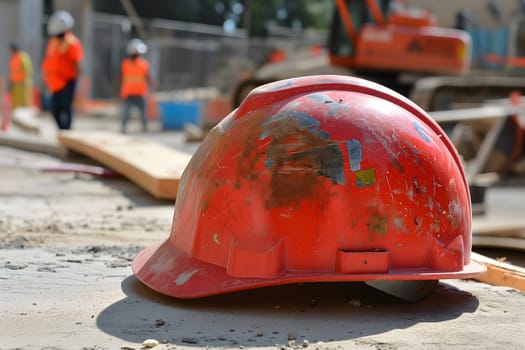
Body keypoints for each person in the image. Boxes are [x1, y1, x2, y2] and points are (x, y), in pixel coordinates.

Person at [42, 10, 84, 130]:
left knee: (66, 108)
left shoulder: (72, 43)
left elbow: (77, 64)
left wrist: (77, 82)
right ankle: (62, 130)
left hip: (67, 81)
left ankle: (67, 131)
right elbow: (49, 60)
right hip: (54, 82)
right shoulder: (52, 42)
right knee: (55, 109)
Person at [120, 38, 152, 133]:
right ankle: (124, 127)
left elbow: (147, 76)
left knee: (143, 113)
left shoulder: (143, 64)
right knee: (126, 113)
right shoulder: (125, 64)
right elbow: (122, 77)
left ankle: (145, 127)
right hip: (129, 92)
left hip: (139, 92)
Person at [9, 42, 33, 109]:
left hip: (23, 83)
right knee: (16, 102)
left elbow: (28, 70)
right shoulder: (14, 57)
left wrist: (25, 80)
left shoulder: (23, 57)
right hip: (15, 83)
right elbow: (13, 71)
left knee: (25, 101)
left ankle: (27, 116)